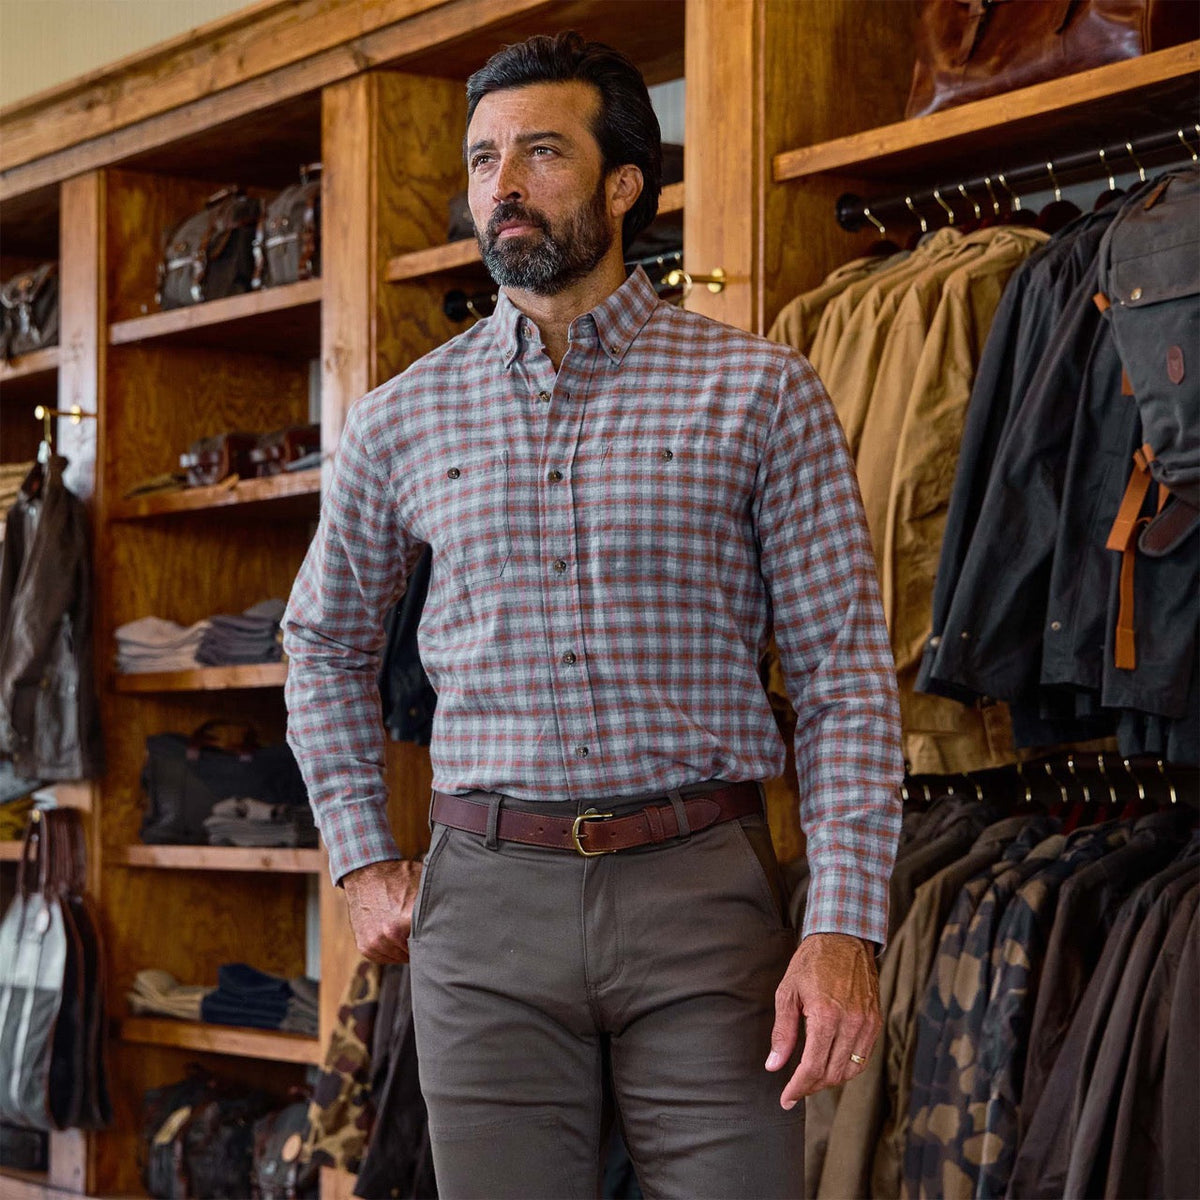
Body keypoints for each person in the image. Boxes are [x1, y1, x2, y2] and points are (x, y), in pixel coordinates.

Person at [283, 30, 902, 1199]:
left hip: (704, 898)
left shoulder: (761, 391)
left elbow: (842, 679)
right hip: (486, 903)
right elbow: (320, 641)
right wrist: (363, 857)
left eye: (539, 154)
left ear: (624, 183)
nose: (501, 186)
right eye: (480, 161)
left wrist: (843, 926)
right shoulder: (399, 419)